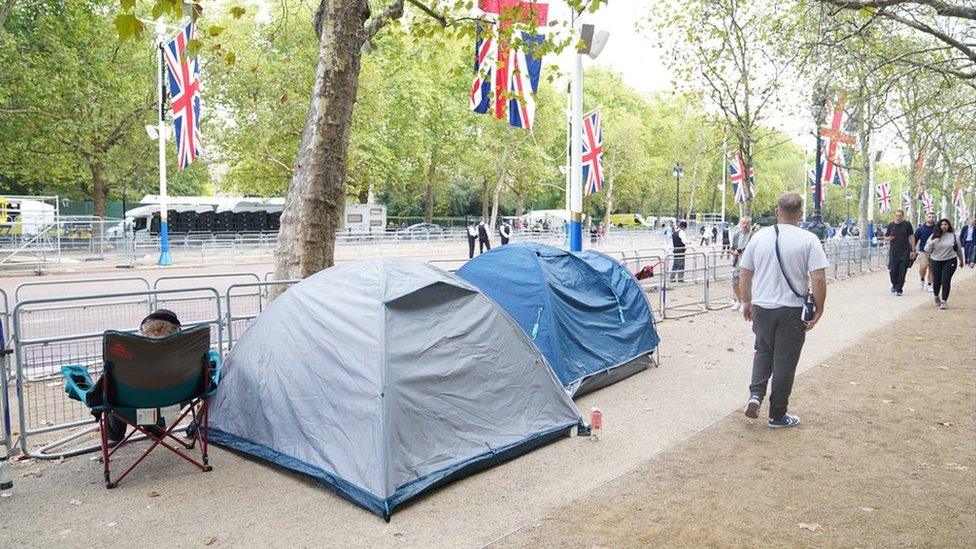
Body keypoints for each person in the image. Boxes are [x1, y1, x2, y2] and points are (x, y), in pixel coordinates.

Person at [739, 193, 828, 429]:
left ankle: (755, 395)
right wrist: (819, 308)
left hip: (763, 306)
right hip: (792, 309)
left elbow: (745, 272)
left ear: (777, 212)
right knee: (785, 362)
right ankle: (777, 414)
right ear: (800, 214)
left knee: (763, 351)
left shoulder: (759, 237)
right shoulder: (809, 240)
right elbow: (818, 278)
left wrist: (746, 302)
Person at [106, 310, 182, 446]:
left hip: (129, 406)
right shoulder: (184, 354)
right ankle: (156, 430)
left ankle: (115, 434)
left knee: (113, 391)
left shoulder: (132, 356)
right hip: (169, 403)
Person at [923, 218, 964, 310]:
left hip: (950, 260)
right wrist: (932, 242)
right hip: (936, 260)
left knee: (946, 280)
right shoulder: (933, 236)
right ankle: (936, 296)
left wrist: (961, 260)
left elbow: (958, 249)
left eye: (946, 224)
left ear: (949, 225)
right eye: (942, 224)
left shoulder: (954, 236)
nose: (944, 226)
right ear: (939, 226)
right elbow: (926, 249)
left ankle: (944, 301)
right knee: (937, 280)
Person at [884, 209, 915, 296]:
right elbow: (886, 236)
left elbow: (912, 237)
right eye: (896, 215)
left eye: (900, 216)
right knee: (893, 270)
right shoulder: (891, 225)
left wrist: (913, 250)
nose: (898, 217)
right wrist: (888, 238)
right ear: (894, 216)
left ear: (903, 216)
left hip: (905, 251)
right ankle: (894, 284)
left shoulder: (907, 224)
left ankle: (899, 289)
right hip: (894, 252)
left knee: (902, 270)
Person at [730, 216, 754, 311]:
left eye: (747, 223)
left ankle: (745, 303)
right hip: (737, 263)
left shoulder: (753, 236)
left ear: (750, 224)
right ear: (740, 224)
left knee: (746, 284)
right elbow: (731, 249)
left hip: (749, 265)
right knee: (734, 283)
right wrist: (734, 252)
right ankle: (738, 301)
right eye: (743, 223)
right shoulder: (736, 235)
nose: (745, 225)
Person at [914, 211, 937, 290]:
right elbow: (915, 239)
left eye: (933, 217)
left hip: (935, 252)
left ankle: (930, 284)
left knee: (932, 268)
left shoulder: (937, 229)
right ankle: (922, 279)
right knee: (923, 266)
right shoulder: (920, 229)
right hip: (923, 251)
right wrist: (913, 250)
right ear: (926, 218)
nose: (931, 218)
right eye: (929, 217)